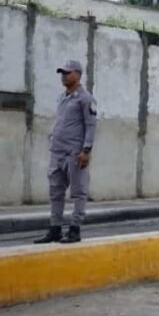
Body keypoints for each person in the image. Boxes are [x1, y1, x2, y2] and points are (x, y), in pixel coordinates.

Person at [34, 60, 97, 244]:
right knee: (55, 191)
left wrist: (86, 150)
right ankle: (55, 229)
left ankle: (74, 229)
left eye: (67, 73)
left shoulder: (85, 99)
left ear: (78, 74)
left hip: (75, 152)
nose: (64, 76)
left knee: (78, 191)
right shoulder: (62, 98)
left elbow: (91, 125)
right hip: (58, 151)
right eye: (62, 73)